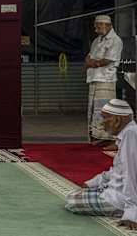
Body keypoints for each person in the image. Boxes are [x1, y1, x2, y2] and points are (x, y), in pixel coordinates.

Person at [65, 99, 137, 230]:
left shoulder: (131, 134)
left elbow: (129, 173)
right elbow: (118, 169)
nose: (102, 122)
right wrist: (96, 181)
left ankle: (125, 209)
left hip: (122, 199)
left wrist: (131, 211)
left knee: (73, 201)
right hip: (121, 193)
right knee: (77, 194)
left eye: (105, 118)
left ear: (117, 120)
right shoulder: (129, 132)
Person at [85, 15, 123, 150]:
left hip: (106, 79)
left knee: (106, 110)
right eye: (96, 26)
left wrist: (92, 63)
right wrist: (90, 62)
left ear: (108, 25)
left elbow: (107, 60)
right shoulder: (97, 41)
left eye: (99, 26)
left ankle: (113, 139)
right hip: (95, 78)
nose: (96, 29)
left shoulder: (115, 40)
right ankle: (101, 137)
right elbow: (89, 57)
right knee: (95, 109)